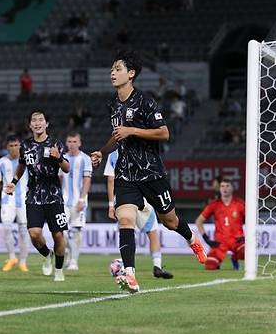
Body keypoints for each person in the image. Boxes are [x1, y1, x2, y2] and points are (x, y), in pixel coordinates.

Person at [90, 51, 206, 293]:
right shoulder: (113, 104)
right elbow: (117, 135)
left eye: (118, 68)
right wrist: (102, 151)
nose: (113, 73)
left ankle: (192, 239)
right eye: (112, 69)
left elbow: (164, 133)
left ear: (131, 74)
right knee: (125, 220)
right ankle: (130, 275)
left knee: (170, 221)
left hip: (152, 173)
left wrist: (132, 130)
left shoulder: (145, 101)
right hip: (125, 174)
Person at [5, 110, 70, 282]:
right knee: (34, 234)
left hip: (54, 196)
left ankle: (58, 270)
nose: (38, 123)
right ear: (30, 125)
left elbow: (67, 168)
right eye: (34, 120)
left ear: (46, 124)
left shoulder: (55, 143)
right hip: (33, 196)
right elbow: (21, 166)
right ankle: (47, 254)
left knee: (58, 235)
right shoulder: (25, 145)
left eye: (41, 120)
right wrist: (13, 181)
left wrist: (58, 158)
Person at [104, 149, 173, 279]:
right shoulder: (142, 150)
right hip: (143, 199)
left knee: (127, 234)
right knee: (152, 234)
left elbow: (110, 180)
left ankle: (127, 266)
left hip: (124, 201)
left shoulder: (113, 155)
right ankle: (157, 266)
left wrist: (111, 204)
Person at [0, 135, 31, 273]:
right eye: (11, 146)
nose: (14, 148)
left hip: (25, 202)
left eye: (16, 145)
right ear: (6, 147)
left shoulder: (28, 161)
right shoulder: (1, 162)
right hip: (8, 201)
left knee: (24, 232)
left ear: (21, 146)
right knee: (6, 228)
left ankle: (23, 262)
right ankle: (12, 257)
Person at [58, 131, 92, 271]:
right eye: (69, 142)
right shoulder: (62, 158)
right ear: (66, 143)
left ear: (79, 143)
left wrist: (82, 199)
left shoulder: (85, 159)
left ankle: (74, 261)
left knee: (76, 231)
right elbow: (59, 179)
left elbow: (86, 180)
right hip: (63, 201)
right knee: (61, 231)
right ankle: (65, 253)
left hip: (79, 201)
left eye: (74, 142)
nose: (72, 144)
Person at [195, 178, 245, 270]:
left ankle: (235, 258)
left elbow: (250, 219)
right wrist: (206, 239)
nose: (225, 188)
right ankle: (216, 263)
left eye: (227, 186)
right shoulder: (214, 205)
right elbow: (199, 221)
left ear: (232, 188)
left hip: (237, 240)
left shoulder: (240, 204)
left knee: (245, 251)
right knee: (210, 264)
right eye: (222, 186)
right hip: (220, 242)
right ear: (219, 188)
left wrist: (246, 237)